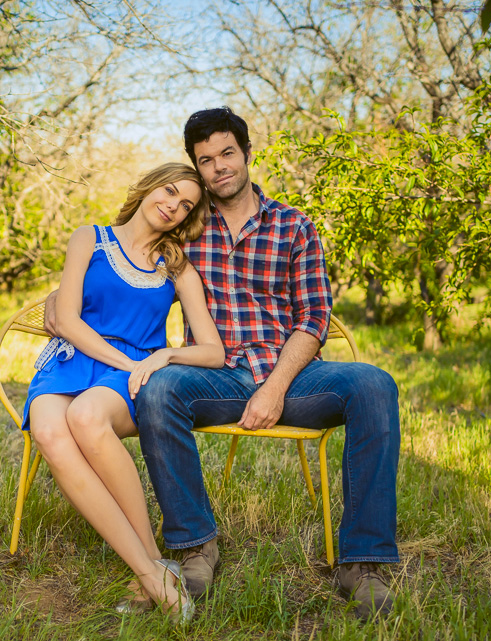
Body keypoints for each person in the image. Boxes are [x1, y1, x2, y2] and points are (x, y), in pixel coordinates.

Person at [131, 107, 401, 620]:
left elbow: (314, 316)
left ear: (248, 154)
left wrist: (275, 387)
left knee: (373, 385)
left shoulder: (294, 225)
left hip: (295, 376)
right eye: (205, 159)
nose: (218, 168)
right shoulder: (184, 227)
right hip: (215, 376)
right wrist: (62, 298)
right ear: (196, 166)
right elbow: (124, 265)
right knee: (159, 390)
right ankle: (195, 547)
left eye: (227, 153)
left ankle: (362, 564)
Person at [24, 162, 225, 624]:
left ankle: (151, 564)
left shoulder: (177, 268)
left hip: (131, 377)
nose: (173, 205)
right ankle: (155, 572)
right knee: (50, 432)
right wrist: (130, 362)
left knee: (88, 418)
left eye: (186, 205)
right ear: (150, 187)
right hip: (72, 359)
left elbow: (213, 351)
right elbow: (69, 320)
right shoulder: (88, 238)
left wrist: (163, 358)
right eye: (169, 191)